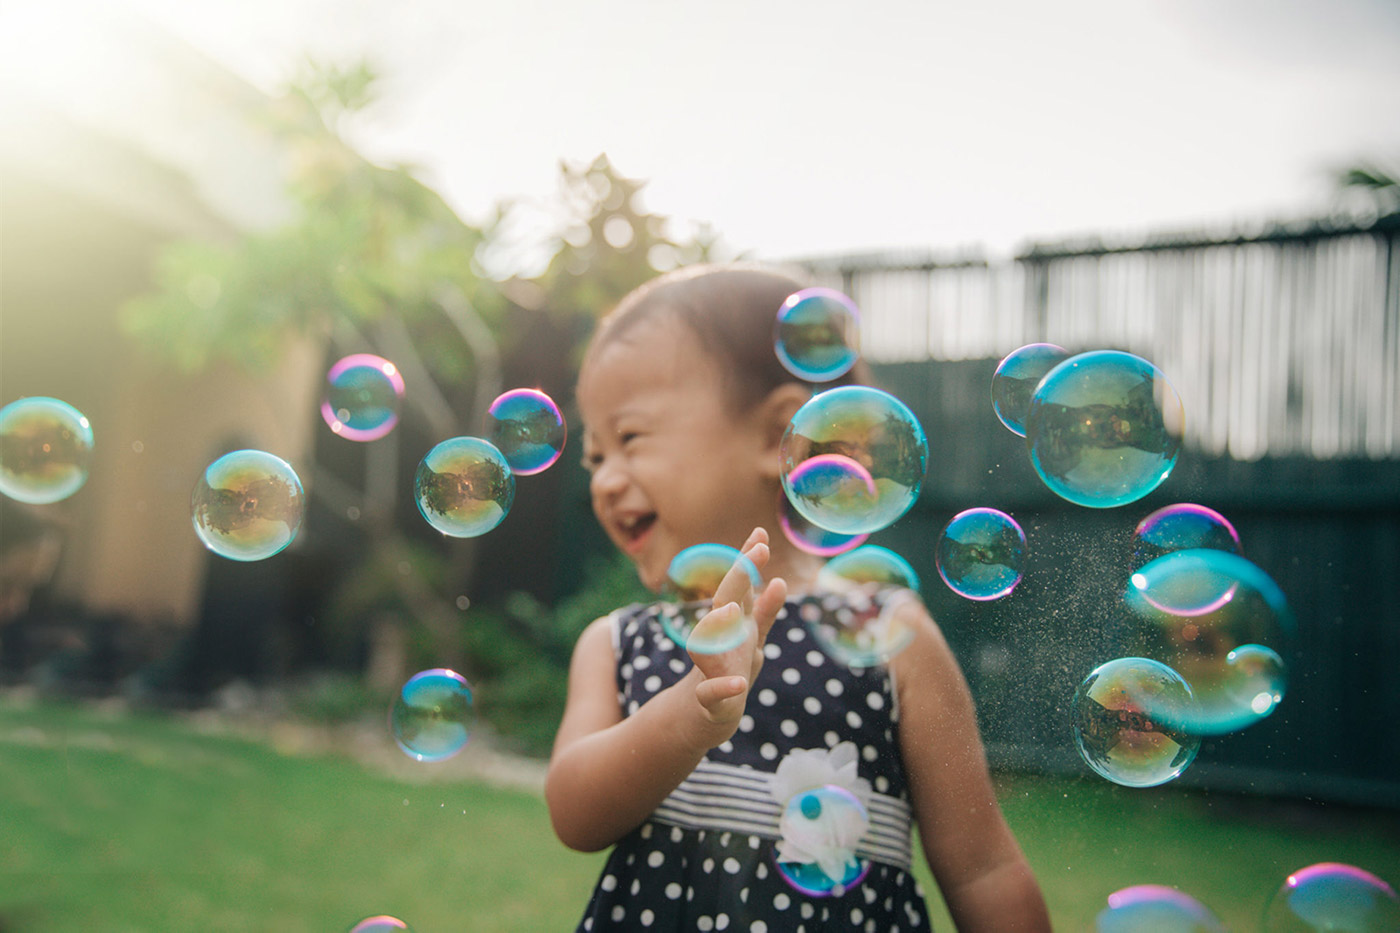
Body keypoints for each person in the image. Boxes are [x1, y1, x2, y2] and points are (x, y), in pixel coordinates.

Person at [546, 264, 1051, 932]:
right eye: (594, 457)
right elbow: (575, 814)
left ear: (778, 435)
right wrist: (692, 715)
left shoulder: (891, 635)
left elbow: (982, 867)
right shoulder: (616, 643)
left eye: (630, 439)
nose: (605, 481)